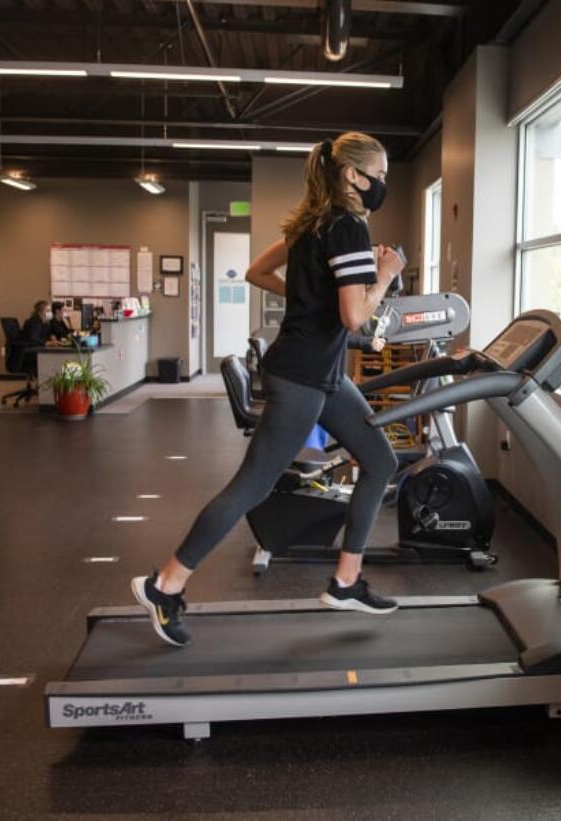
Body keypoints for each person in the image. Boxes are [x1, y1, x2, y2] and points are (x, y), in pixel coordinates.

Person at [131, 132, 404, 647]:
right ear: (353, 175)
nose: (383, 183)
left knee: (381, 461)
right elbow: (353, 316)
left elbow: (257, 272)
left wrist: (309, 296)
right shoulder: (346, 226)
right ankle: (163, 584)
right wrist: (384, 274)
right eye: (381, 174)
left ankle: (346, 581)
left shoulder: (309, 225)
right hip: (303, 377)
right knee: (252, 486)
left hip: (321, 374)